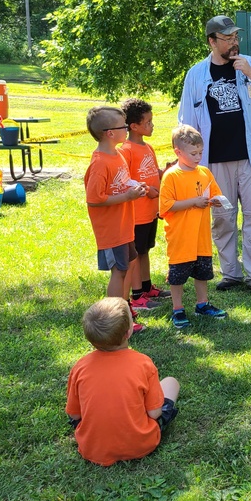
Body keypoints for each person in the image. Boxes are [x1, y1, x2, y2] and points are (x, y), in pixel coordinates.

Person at [178, 15, 251, 295]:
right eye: (227, 38)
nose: (234, 43)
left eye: (235, 37)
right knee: (223, 218)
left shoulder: (249, 65)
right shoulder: (196, 74)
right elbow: (187, 121)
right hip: (214, 162)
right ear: (212, 42)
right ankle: (231, 274)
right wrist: (188, 161)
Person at [65, 298, 180, 467]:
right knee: (171, 382)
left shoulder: (80, 367)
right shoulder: (143, 363)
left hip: (92, 448)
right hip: (141, 443)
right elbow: (155, 414)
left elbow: (74, 415)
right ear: (128, 332)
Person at [84, 106, 148, 333]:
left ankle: (124, 312)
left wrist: (134, 187)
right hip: (111, 230)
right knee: (118, 272)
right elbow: (94, 199)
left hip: (124, 225)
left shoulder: (117, 154)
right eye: (123, 126)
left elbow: (122, 180)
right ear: (110, 133)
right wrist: (126, 196)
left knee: (127, 266)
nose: (126, 129)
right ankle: (115, 322)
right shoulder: (100, 163)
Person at [158, 124, 228, 330]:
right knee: (178, 274)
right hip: (180, 236)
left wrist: (215, 201)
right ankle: (178, 309)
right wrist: (193, 202)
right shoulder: (171, 176)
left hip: (201, 236)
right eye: (193, 153)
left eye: (200, 152)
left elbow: (214, 193)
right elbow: (166, 207)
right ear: (178, 152)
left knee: (202, 272)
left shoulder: (204, 172)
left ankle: (202, 304)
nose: (198, 157)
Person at [119, 97, 170, 308]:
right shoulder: (126, 150)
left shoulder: (148, 147)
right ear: (134, 126)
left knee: (145, 250)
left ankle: (147, 287)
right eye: (147, 122)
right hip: (136, 213)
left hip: (151, 211)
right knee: (136, 253)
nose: (152, 125)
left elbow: (151, 173)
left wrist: (165, 172)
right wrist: (148, 190)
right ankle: (137, 295)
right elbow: (125, 181)